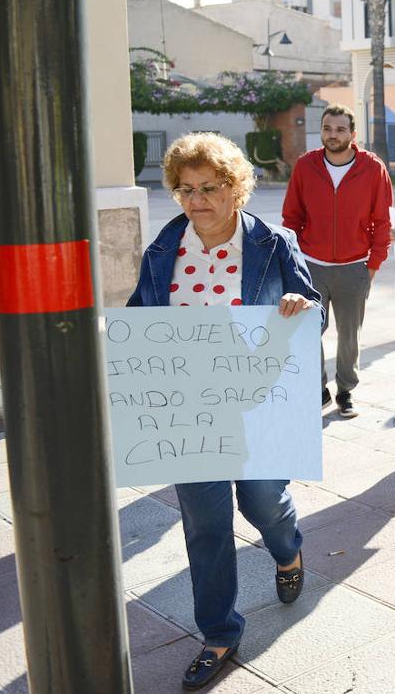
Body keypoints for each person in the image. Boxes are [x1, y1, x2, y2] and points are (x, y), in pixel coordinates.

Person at [128, 133, 322, 691]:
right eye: (186, 190)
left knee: (263, 502)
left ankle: (287, 550)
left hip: (262, 401)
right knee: (206, 524)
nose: (197, 200)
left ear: (235, 188)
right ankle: (219, 632)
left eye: (209, 188)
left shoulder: (273, 244)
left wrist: (300, 307)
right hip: (191, 408)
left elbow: (315, 315)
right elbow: (140, 321)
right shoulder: (163, 251)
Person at [282, 104, 392, 419]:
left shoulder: (372, 168)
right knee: (308, 329)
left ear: (352, 134)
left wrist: (373, 266)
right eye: (328, 128)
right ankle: (318, 389)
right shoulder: (306, 166)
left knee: (349, 335)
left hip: (354, 266)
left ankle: (346, 391)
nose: (333, 135)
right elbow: (291, 218)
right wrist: (293, 262)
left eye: (340, 129)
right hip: (310, 265)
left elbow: (382, 221)